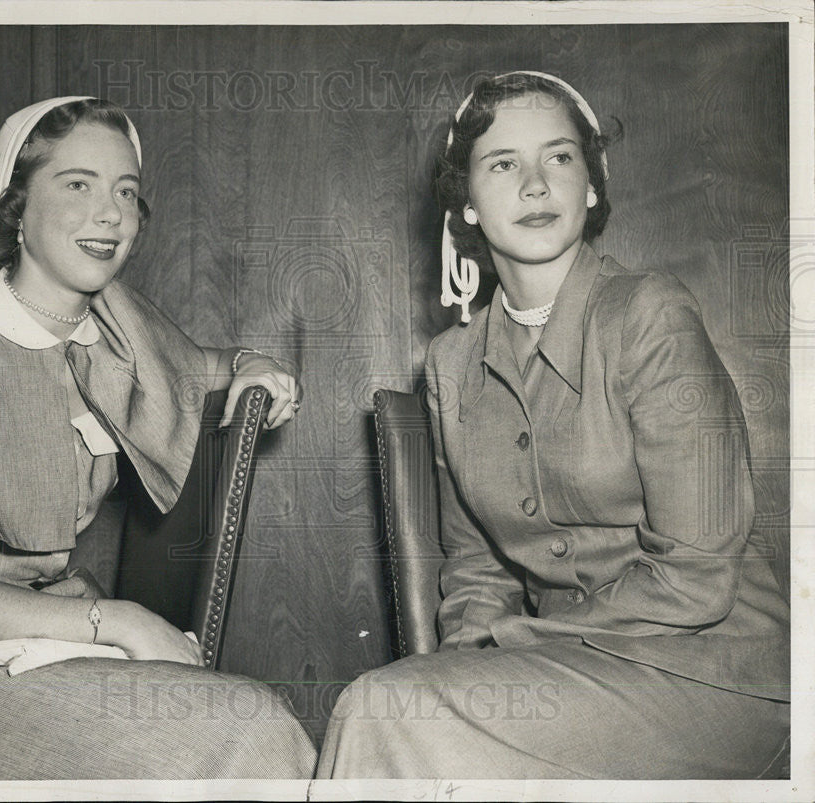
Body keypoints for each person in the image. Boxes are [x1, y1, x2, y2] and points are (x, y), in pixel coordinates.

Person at [316, 71, 790, 779]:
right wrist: (466, 660)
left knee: (384, 710)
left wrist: (511, 645)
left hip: (716, 674)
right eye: (503, 164)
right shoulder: (450, 365)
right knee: (391, 707)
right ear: (468, 205)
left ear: (591, 187)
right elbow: (476, 568)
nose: (535, 184)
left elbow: (697, 576)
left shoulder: (650, 315)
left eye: (560, 157)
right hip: (559, 671)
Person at [0, 96, 317, 780]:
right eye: (78, 185)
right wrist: (119, 621)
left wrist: (255, 366)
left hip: (52, 634)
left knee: (252, 721)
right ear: (16, 206)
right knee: (244, 733)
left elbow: (205, 364)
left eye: (126, 191)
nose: (112, 213)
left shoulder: (116, 326)